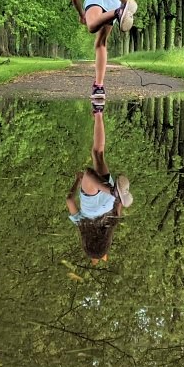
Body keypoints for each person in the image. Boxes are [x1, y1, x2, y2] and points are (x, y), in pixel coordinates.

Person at [70, 0, 137, 105]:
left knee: (92, 26)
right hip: (114, 1)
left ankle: (116, 12)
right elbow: (126, 2)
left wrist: (81, 14)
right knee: (101, 43)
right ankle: (98, 86)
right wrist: (123, 10)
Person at [65, 107, 133, 263]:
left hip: (108, 201)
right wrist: (78, 180)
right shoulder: (81, 224)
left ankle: (98, 114)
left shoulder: (111, 222)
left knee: (98, 154)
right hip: (91, 203)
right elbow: (69, 200)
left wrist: (116, 197)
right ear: (86, 243)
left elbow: (118, 207)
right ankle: (111, 190)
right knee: (88, 173)